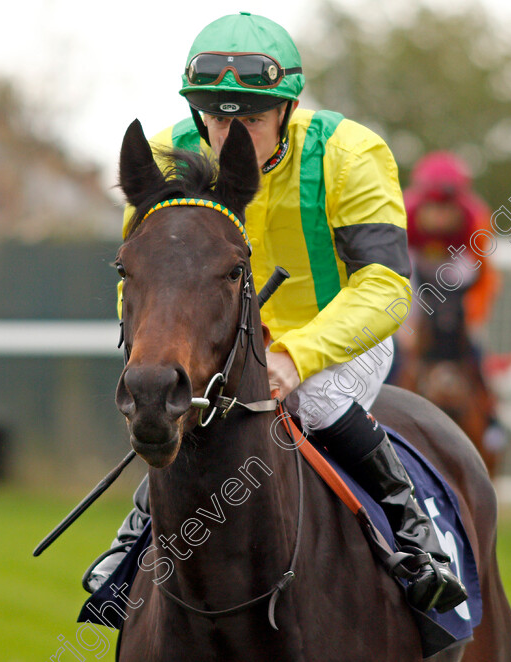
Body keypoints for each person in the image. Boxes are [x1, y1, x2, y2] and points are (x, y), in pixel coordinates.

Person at [84, 12, 467, 613]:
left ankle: (416, 537)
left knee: (305, 400)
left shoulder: (348, 153)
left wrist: (298, 354)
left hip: (340, 340)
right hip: (223, 343)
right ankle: (138, 537)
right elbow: (140, 276)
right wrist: (151, 350)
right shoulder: (167, 159)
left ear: (288, 109)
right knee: (177, 408)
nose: (229, 137)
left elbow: (387, 286)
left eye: (251, 120)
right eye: (214, 117)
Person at [396, 151, 504, 458]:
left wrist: (472, 319)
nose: (442, 216)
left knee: (477, 355)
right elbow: (395, 281)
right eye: (435, 208)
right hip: (411, 278)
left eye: (449, 208)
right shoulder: (400, 216)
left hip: (455, 288)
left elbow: (484, 279)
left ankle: (492, 422)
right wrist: (405, 328)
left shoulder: (477, 221)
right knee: (390, 356)